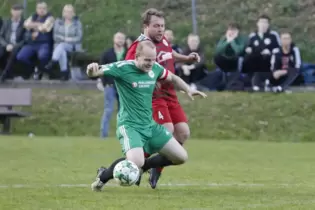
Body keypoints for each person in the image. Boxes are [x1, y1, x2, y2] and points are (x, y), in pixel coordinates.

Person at [86, 40, 206, 192]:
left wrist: (188, 89)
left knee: (181, 157)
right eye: (147, 60)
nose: (151, 63)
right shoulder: (122, 67)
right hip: (129, 126)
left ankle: (147, 166)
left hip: (150, 125)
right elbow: (96, 72)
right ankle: (103, 175)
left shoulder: (154, 68)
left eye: (153, 60)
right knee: (136, 161)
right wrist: (92, 70)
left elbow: (173, 78)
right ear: (137, 57)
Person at [125, 8, 201, 189]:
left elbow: (169, 54)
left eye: (162, 26)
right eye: (156, 26)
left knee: (183, 133)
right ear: (145, 27)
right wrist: (146, 82)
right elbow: (127, 69)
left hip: (171, 94)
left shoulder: (162, 39)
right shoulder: (139, 46)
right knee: (165, 130)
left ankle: (155, 167)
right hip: (154, 96)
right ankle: (133, 166)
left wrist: (187, 58)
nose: (160, 29)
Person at [98, 32, 126, 138]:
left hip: (123, 86)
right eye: (118, 38)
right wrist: (105, 83)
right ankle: (103, 135)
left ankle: (122, 134)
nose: (120, 40)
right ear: (114, 39)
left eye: (122, 38)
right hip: (110, 85)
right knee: (108, 110)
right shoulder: (107, 53)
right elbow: (101, 69)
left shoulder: (127, 54)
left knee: (122, 111)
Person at [45, 4, 83, 80]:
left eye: (70, 12)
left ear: (73, 13)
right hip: (59, 46)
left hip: (73, 46)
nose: (67, 14)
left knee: (62, 46)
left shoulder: (77, 23)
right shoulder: (58, 22)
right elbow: (55, 36)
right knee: (62, 50)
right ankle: (64, 73)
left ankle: (53, 61)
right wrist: (65, 39)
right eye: (66, 12)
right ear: (63, 13)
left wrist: (69, 40)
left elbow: (79, 37)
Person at [0, 4, 25, 82]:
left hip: (17, 45)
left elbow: (25, 39)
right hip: (6, 44)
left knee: (14, 52)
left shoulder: (25, 23)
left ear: (21, 12)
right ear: (11, 11)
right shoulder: (6, 22)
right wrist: (6, 45)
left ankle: (4, 75)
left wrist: (15, 45)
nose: (16, 13)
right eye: (14, 11)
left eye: (18, 11)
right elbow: (0, 36)